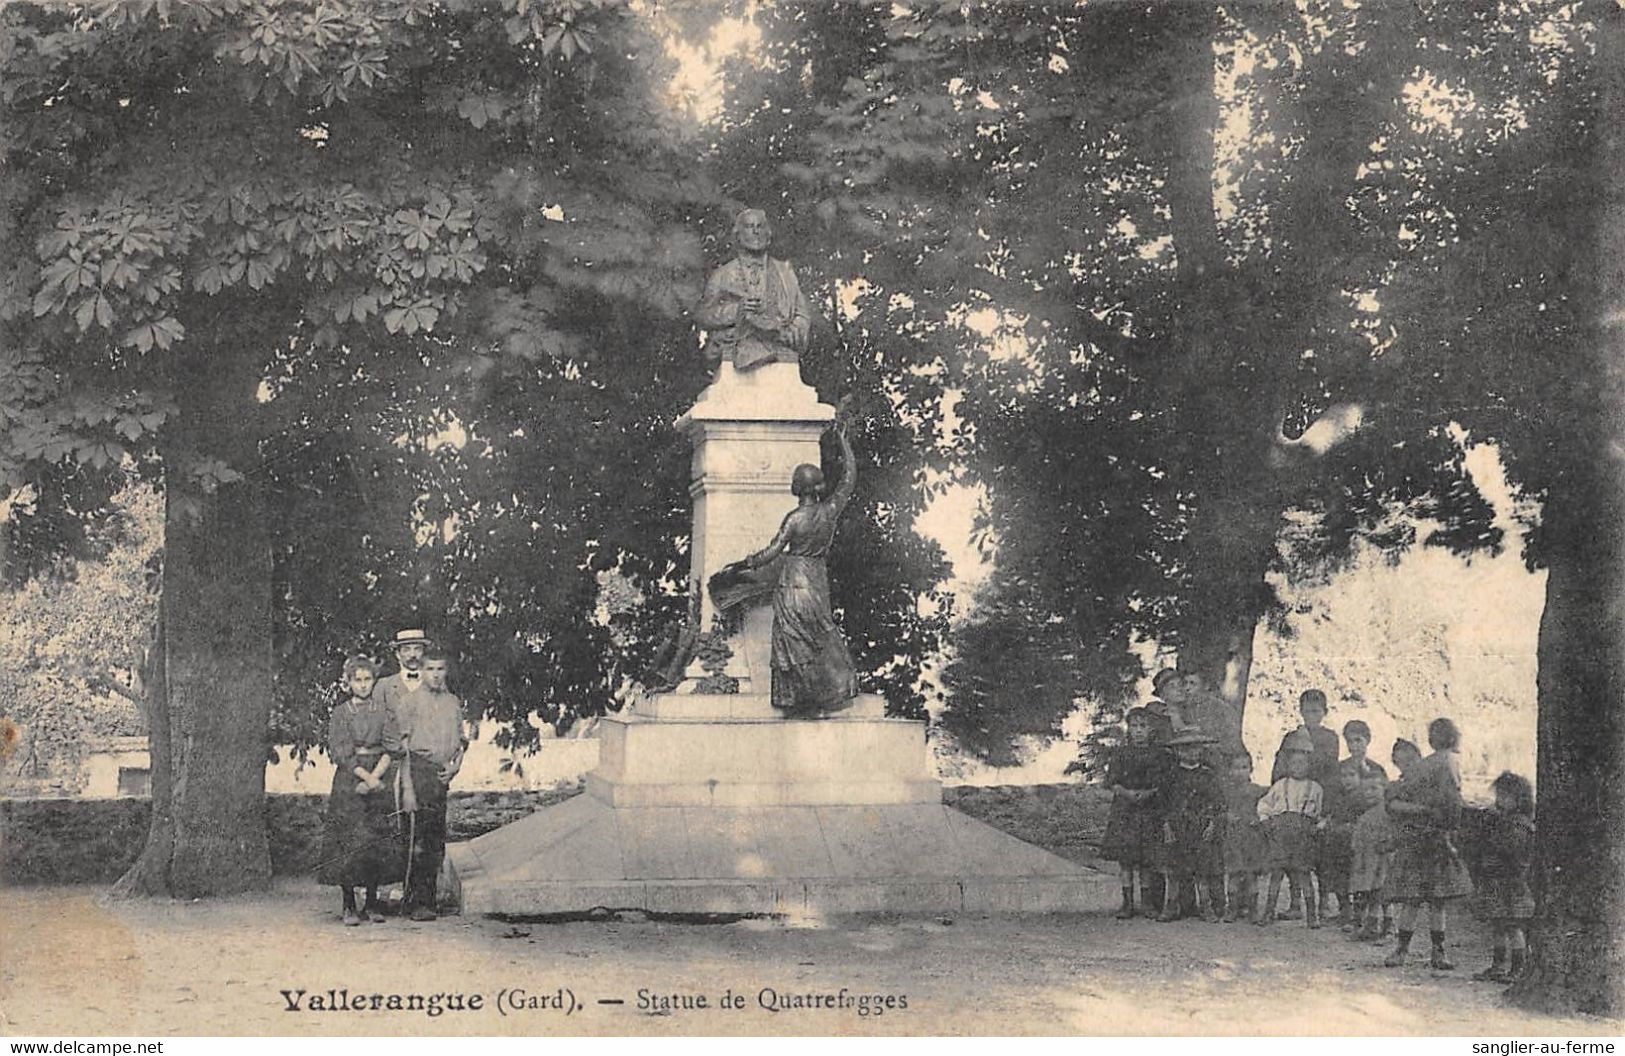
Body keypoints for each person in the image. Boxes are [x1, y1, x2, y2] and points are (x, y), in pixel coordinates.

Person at [720, 421, 860, 716]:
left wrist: (744, 564)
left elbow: (773, 550)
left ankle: (797, 699)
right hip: (817, 579)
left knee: (792, 637)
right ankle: (829, 694)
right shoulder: (829, 511)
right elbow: (848, 481)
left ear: (798, 488)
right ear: (818, 486)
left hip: (793, 579)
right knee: (819, 633)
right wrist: (844, 445)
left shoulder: (795, 519)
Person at [315, 655, 401, 925]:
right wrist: (363, 776)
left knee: (375, 839)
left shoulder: (384, 711)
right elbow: (341, 751)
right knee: (348, 840)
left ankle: (372, 902)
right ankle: (349, 903)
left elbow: (392, 746)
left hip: (379, 772)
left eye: (368, 680)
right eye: (357, 680)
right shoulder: (341, 713)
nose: (363, 685)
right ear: (348, 682)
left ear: (374, 681)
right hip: (349, 779)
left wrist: (375, 778)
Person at [1384, 718, 1474, 969]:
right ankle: (1420, 950)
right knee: (1429, 900)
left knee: (1425, 900)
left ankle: (1420, 950)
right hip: (1428, 839)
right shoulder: (1446, 762)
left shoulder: (1429, 765)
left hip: (1425, 839)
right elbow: (1451, 799)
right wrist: (1428, 811)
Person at [394, 649, 468, 921]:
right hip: (418, 772)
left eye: (440, 669)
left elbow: (461, 743)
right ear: (421, 672)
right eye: (430, 669)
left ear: (446, 671)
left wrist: (454, 768)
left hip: (441, 775)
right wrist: (408, 789)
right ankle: (414, 901)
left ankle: (431, 898)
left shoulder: (453, 703)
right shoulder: (409, 702)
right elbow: (402, 750)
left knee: (436, 839)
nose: (435, 675)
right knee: (417, 839)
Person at [696, 208, 812, 373]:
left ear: (768, 234)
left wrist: (795, 333)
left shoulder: (785, 272)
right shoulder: (723, 275)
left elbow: (802, 314)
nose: (756, 232)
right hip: (739, 344)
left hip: (779, 345)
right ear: (737, 235)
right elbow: (702, 315)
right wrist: (736, 310)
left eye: (760, 226)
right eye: (750, 227)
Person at [1270, 689, 1341, 919]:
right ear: (1300, 711)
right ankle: (1295, 903)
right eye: (1307, 711)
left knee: (1320, 854)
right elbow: (1280, 765)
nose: (1311, 715)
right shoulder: (1291, 736)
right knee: (1292, 853)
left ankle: (1323, 902)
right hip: (1294, 801)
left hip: (1317, 797)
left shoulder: (1330, 737)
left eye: (1316, 711)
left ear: (1324, 712)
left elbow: (1328, 766)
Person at [1100, 707, 1171, 919]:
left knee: (1146, 859)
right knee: (1126, 859)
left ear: (1151, 729)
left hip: (1149, 810)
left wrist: (1148, 793)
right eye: (1134, 726)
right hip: (1125, 811)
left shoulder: (1160, 755)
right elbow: (1112, 782)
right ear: (1128, 729)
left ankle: (1147, 903)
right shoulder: (1120, 754)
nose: (1138, 731)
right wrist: (1127, 793)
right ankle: (1127, 903)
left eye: (1143, 726)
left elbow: (1164, 783)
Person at [1469, 771, 1536, 982]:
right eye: (1499, 796)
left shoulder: (1520, 826)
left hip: (1511, 881)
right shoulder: (1502, 821)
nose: (1500, 800)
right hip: (1497, 880)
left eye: (1506, 797)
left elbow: (1510, 851)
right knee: (1497, 924)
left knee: (1513, 926)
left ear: (1519, 799)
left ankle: (1518, 968)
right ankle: (1498, 965)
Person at [1156, 729, 1226, 923]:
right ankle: (1171, 906)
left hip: (1200, 825)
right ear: (1178, 751)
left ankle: (1206, 906)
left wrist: (1212, 824)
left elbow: (1217, 802)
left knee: (1201, 869)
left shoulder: (1208, 775)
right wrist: (1167, 827)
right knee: (1173, 869)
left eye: (1196, 747)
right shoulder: (1171, 775)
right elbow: (1163, 804)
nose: (1192, 752)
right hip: (1177, 826)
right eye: (1186, 748)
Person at [1256, 729, 1324, 928]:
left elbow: (1318, 813)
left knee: (1304, 875)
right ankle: (1268, 912)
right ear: (1287, 764)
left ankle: (1312, 915)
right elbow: (1265, 804)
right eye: (1293, 763)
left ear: (1310, 765)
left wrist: (1318, 826)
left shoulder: (1316, 788)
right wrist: (1265, 819)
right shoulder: (1280, 785)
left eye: (1303, 763)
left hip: (1303, 836)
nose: (1298, 767)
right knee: (1276, 874)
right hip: (1281, 835)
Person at [1220, 749, 1268, 923]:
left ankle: (1253, 909)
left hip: (1251, 837)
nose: (1240, 772)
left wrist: (1260, 819)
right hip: (1233, 837)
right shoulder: (1226, 791)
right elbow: (1219, 809)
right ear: (1229, 771)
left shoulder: (1257, 791)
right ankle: (1232, 908)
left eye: (1244, 767)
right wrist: (1227, 815)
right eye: (1236, 768)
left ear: (1251, 769)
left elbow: (1269, 807)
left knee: (1251, 875)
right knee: (1233, 874)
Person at [1347, 768, 1394, 941]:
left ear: (1384, 788)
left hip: (1382, 860)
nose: (1370, 793)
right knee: (1371, 893)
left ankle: (1389, 927)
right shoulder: (1364, 815)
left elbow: (1392, 836)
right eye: (1366, 789)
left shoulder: (1389, 813)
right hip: (1367, 861)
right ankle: (1371, 926)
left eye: (1374, 788)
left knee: (1384, 895)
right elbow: (1358, 838)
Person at [374, 628, 431, 712]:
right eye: (406, 650)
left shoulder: (436, 684)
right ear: (398, 654)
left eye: (417, 649)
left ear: (424, 653)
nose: (412, 655)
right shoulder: (383, 686)